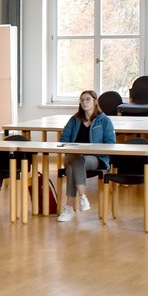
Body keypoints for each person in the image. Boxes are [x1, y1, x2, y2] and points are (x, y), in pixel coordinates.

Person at [56, 90, 115, 223]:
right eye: (82, 100)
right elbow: (63, 140)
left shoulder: (104, 120)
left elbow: (110, 144)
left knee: (73, 166)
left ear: (95, 101)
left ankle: (69, 208)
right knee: (75, 159)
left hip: (95, 158)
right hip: (73, 156)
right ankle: (82, 197)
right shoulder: (74, 119)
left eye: (87, 99)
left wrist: (91, 149)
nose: (84, 102)